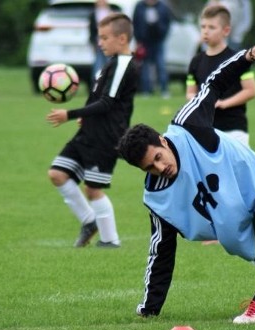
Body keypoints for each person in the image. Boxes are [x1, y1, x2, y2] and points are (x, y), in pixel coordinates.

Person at [117, 28, 255, 324]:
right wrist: (150, 308)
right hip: (239, 229)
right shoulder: (157, 198)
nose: (159, 168)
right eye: (149, 168)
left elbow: (213, 83)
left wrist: (246, 58)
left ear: (162, 140)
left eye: (158, 157)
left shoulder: (188, 125)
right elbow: (161, 253)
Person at [46, 13, 139, 248]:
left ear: (122, 38)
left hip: (107, 137)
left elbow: (108, 103)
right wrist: (86, 118)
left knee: (93, 188)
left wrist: (69, 114)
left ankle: (110, 240)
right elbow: (100, 99)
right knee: (57, 174)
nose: (100, 42)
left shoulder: (124, 64)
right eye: (100, 37)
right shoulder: (111, 63)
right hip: (89, 132)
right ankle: (89, 221)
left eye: (105, 38)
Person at [187, 4, 255, 147]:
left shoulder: (238, 59)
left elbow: (251, 90)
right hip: (206, 128)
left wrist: (224, 103)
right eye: (203, 27)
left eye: (212, 27)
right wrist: (203, 102)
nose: (206, 32)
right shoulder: (196, 61)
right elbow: (190, 93)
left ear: (226, 31)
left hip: (234, 129)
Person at [132, 0, 171, 98]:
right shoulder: (139, 6)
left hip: (158, 40)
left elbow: (167, 22)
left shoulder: (163, 6)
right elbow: (135, 23)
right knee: (145, 67)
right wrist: (138, 40)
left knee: (161, 65)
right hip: (144, 41)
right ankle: (146, 90)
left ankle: (164, 90)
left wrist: (162, 34)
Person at [89, 0, 115, 84]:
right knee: (98, 64)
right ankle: (96, 84)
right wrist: (93, 43)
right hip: (98, 43)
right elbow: (91, 31)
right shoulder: (93, 14)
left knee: (109, 63)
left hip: (109, 43)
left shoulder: (111, 13)